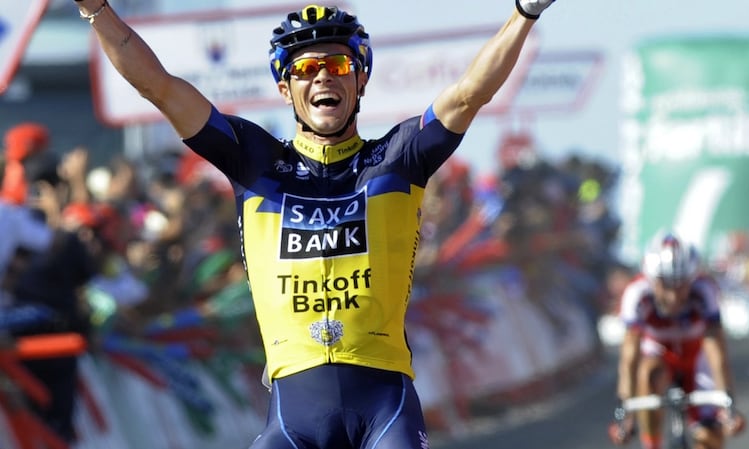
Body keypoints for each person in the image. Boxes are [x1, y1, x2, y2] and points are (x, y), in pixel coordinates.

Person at [72, 0, 560, 447]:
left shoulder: (397, 158)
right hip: (292, 414)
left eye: (338, 65)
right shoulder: (252, 161)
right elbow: (158, 86)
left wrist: (524, 12)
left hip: (384, 408)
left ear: (361, 79)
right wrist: (96, 9)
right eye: (306, 68)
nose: (323, 77)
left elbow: (469, 94)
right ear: (285, 87)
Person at [608, 232, 746, 449]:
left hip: (696, 359)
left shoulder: (704, 290)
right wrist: (623, 412)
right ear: (652, 279)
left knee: (710, 440)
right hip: (659, 357)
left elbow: (716, 352)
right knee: (647, 373)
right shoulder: (637, 294)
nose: (673, 296)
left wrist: (728, 404)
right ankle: (651, 444)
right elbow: (629, 357)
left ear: (691, 278)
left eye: (680, 284)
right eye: (665, 284)